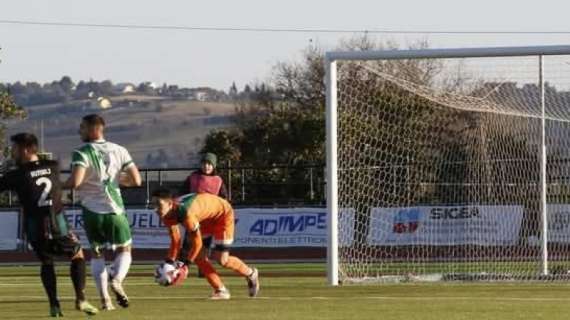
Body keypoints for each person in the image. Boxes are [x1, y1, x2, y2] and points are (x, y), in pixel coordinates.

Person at [0, 133, 98, 317]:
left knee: (47, 261)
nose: (12, 152)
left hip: (34, 226)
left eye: (14, 149)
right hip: (57, 222)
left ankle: (54, 305)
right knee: (77, 255)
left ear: (26, 149)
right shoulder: (53, 166)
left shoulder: (16, 175)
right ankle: (81, 299)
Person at [64, 114, 141, 310]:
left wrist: (58, 186)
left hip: (92, 211)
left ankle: (106, 301)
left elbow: (76, 182)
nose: (79, 131)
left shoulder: (81, 152)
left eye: (82, 128)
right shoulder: (119, 150)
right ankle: (118, 280)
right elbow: (136, 180)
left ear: (93, 129)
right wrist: (115, 180)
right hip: (115, 210)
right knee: (125, 249)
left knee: (97, 254)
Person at [151, 189, 259, 300]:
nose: (155, 209)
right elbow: (176, 240)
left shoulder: (186, 213)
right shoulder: (166, 214)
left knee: (222, 260)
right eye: (153, 204)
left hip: (222, 214)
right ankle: (221, 290)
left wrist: (186, 266)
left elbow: (198, 242)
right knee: (199, 257)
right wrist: (169, 262)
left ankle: (251, 273)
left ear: (170, 204)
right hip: (204, 218)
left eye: (159, 205)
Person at [180, 152, 228, 275]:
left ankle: (203, 268)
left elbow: (224, 198)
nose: (207, 166)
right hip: (193, 215)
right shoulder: (193, 177)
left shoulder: (218, 180)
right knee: (188, 242)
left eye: (209, 164)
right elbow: (183, 193)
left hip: (209, 217)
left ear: (214, 166)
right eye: (204, 163)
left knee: (205, 244)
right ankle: (180, 267)